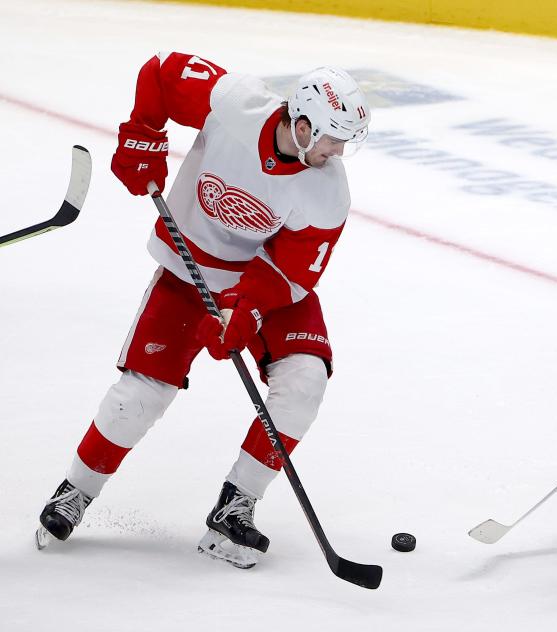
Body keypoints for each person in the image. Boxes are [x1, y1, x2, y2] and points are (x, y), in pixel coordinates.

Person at [36, 52, 371, 569]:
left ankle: (236, 506)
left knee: (304, 382)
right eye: (331, 137)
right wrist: (143, 133)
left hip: (261, 283)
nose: (338, 150)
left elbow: (294, 273)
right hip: (187, 270)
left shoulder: (328, 191)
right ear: (301, 125)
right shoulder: (238, 103)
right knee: (141, 395)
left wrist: (247, 311)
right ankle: (76, 492)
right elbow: (161, 71)